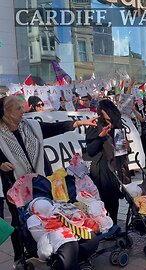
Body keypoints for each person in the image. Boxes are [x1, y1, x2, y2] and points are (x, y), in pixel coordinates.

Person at [0, 96, 97, 262]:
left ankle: (45, 247)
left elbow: (55, 127)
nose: (23, 111)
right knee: (19, 220)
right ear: (7, 112)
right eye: (18, 109)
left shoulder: (30, 126)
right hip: (16, 184)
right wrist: (0, 163)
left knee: (44, 214)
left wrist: (79, 123)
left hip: (40, 180)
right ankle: (21, 255)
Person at [85, 100, 131, 225]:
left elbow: (121, 150)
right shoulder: (95, 125)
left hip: (115, 166)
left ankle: (114, 223)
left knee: (114, 196)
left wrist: (127, 148)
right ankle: (105, 224)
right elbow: (90, 150)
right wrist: (100, 137)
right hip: (101, 167)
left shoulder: (117, 125)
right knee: (105, 197)